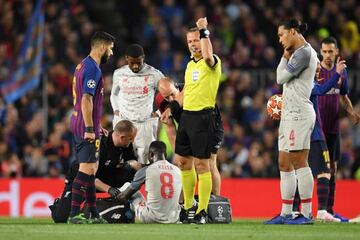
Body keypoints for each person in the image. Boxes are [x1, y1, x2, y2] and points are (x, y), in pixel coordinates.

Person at [265, 19, 318, 225]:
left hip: (299, 114)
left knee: (299, 161)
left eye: (282, 34)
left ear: (293, 32)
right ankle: (286, 212)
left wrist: (285, 56)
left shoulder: (304, 52)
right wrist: (287, 55)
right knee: (284, 163)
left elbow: (280, 78)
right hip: (289, 114)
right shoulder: (297, 53)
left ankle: (306, 213)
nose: (280, 39)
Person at [173, 17, 222, 224]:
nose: (193, 44)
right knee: (183, 162)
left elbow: (209, 54)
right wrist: (169, 108)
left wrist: (204, 31)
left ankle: (202, 211)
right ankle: (188, 208)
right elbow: (185, 93)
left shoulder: (212, 62)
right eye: (190, 41)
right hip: (187, 118)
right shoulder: (189, 65)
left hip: (204, 117)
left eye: (196, 40)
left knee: (202, 165)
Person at [49, 120, 140, 223]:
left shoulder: (126, 146)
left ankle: (125, 206)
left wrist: (134, 164)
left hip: (105, 176)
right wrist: (109, 189)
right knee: (61, 218)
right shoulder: (99, 145)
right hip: (81, 178)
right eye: (131, 139)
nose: (132, 141)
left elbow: (135, 166)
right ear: (122, 137)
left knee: (131, 170)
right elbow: (89, 174)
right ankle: (59, 203)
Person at [68, 31, 115, 224]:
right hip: (84, 128)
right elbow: (86, 100)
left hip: (86, 125)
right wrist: (89, 128)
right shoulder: (92, 70)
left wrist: (96, 126)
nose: (111, 53)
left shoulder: (83, 65)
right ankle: (73, 214)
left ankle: (94, 213)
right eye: (111, 49)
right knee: (86, 168)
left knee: (91, 170)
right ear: (103, 47)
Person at [293, 59, 347, 222]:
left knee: (301, 171)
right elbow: (322, 90)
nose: (318, 70)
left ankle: (295, 209)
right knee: (325, 171)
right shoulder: (308, 84)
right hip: (315, 134)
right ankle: (322, 211)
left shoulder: (299, 84)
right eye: (316, 68)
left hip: (303, 134)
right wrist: (336, 73)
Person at [317, 37, 360, 222]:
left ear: (336, 52)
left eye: (330, 51)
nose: (327, 55)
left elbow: (344, 96)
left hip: (333, 129)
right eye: (324, 51)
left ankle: (330, 210)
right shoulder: (315, 71)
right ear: (320, 52)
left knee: (333, 169)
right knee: (317, 169)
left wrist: (351, 112)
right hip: (317, 128)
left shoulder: (342, 73)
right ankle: (305, 209)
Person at [157, 77, 223, 196]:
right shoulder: (162, 103)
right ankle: (185, 203)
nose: (170, 99)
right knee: (182, 165)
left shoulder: (192, 91)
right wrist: (178, 153)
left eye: (172, 94)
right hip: (189, 129)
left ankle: (216, 202)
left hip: (211, 126)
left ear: (177, 87)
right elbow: (170, 127)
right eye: (166, 97)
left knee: (209, 163)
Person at [110, 44, 164, 165]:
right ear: (126, 58)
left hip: (144, 123)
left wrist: (159, 113)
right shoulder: (119, 73)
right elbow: (114, 94)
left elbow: (168, 93)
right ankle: (123, 184)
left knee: (144, 161)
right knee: (120, 160)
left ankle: (142, 183)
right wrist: (115, 109)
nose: (135, 66)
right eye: (132, 63)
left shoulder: (154, 74)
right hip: (124, 121)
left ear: (143, 58)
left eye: (138, 62)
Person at [116, 141, 182, 224]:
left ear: (151, 154)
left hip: (151, 218)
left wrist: (115, 195)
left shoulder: (147, 170)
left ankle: (126, 218)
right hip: (174, 218)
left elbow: (124, 196)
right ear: (165, 155)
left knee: (127, 186)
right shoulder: (177, 170)